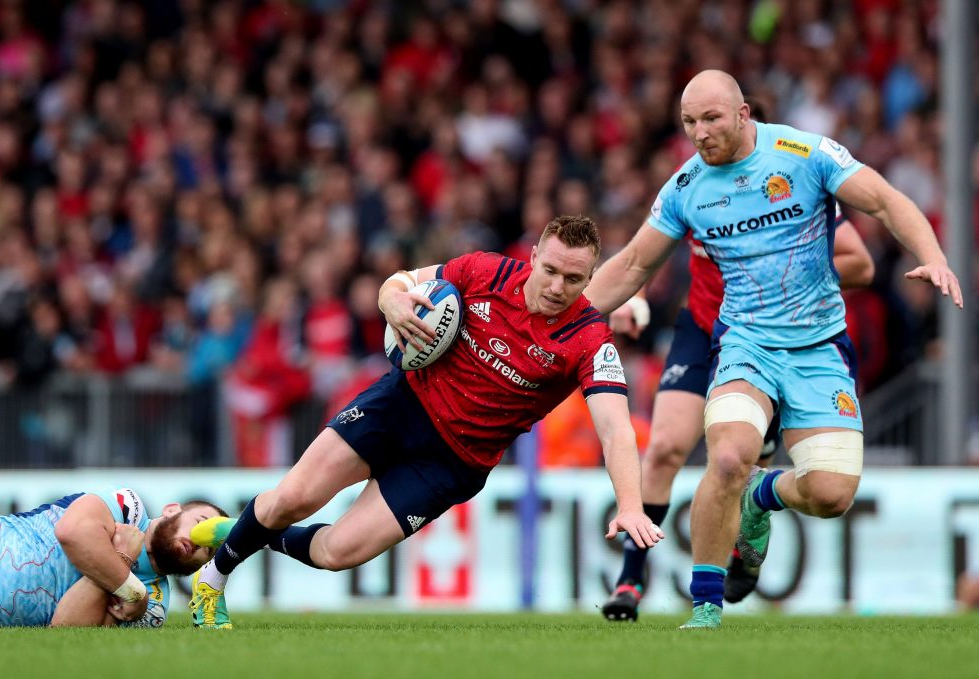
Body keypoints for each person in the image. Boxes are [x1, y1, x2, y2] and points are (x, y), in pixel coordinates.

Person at [584, 69, 962, 629]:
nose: (699, 133)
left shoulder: (805, 155)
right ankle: (704, 610)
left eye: (711, 118)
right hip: (744, 342)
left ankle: (761, 497)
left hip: (818, 345)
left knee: (832, 495)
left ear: (743, 114)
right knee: (727, 456)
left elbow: (884, 201)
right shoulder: (687, 188)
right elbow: (635, 263)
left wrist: (933, 255)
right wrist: (563, 319)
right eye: (689, 122)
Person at [187, 215, 665, 629]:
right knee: (292, 499)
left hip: (451, 463)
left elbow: (615, 429)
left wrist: (630, 506)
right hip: (400, 406)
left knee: (335, 553)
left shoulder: (589, 339)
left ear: (591, 278)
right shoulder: (486, 271)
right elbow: (400, 281)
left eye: (574, 279)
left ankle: (240, 531)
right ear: (534, 256)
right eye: (551, 271)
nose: (558, 287)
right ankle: (213, 580)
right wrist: (391, 301)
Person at [602, 108, 877, 622]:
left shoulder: (793, 187)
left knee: (742, 465)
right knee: (664, 447)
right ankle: (631, 580)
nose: (706, 144)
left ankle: (744, 548)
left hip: (771, 340)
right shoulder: (697, 187)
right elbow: (643, 258)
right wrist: (632, 300)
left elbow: (861, 263)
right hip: (703, 330)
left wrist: (792, 279)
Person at [0, 488, 226, 627]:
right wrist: (131, 591)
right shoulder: (127, 506)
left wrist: (120, 559)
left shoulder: (154, 607)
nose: (199, 542)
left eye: (209, 550)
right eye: (200, 523)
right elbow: (71, 532)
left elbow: (65, 630)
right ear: (171, 510)